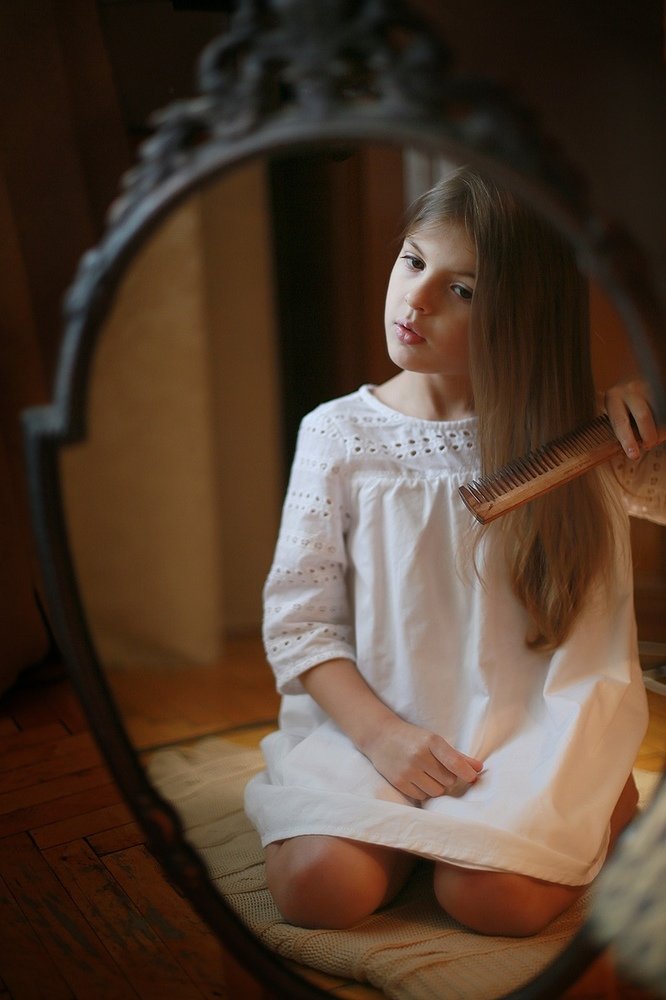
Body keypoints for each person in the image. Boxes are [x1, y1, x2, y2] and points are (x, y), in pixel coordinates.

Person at [244, 167, 665, 937]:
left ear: (522, 316)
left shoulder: (585, 441)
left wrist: (651, 405)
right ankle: (424, 836)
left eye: (462, 289)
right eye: (413, 261)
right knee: (317, 890)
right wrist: (382, 738)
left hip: (528, 732)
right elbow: (300, 623)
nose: (417, 300)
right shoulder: (336, 435)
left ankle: (601, 800)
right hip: (375, 724)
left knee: (492, 903)